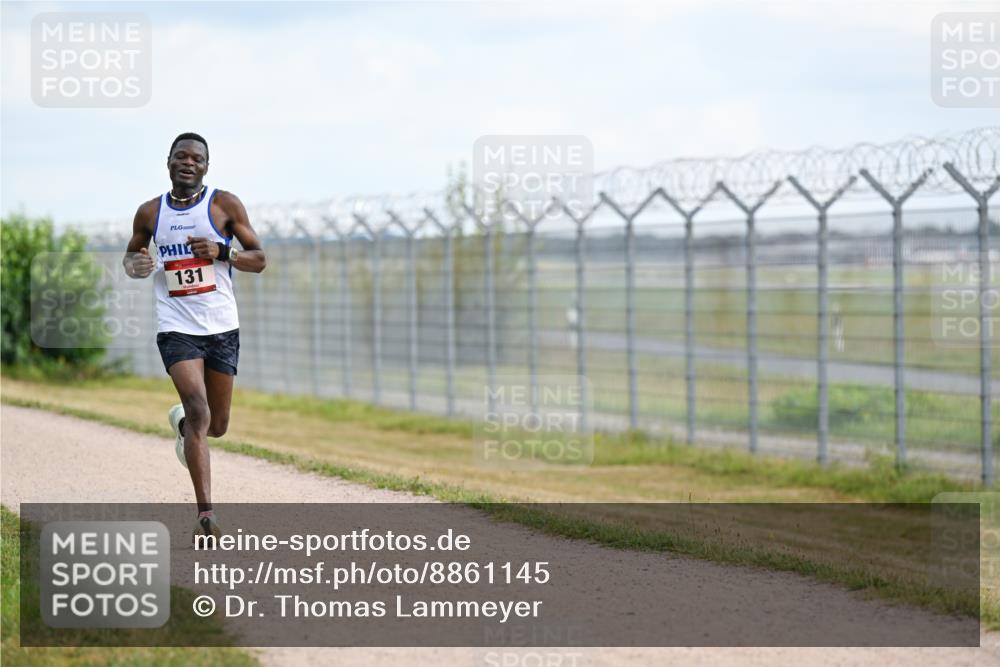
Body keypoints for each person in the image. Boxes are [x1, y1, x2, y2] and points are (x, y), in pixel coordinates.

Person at [122, 132, 266, 541]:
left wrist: (223, 252)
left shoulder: (224, 205)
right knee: (201, 411)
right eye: (181, 156)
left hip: (221, 326)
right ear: (168, 162)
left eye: (196, 158)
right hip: (176, 326)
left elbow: (259, 259)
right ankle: (206, 517)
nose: (188, 163)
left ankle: (184, 428)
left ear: (206, 166)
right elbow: (131, 259)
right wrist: (137, 264)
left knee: (216, 425)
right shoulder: (150, 213)